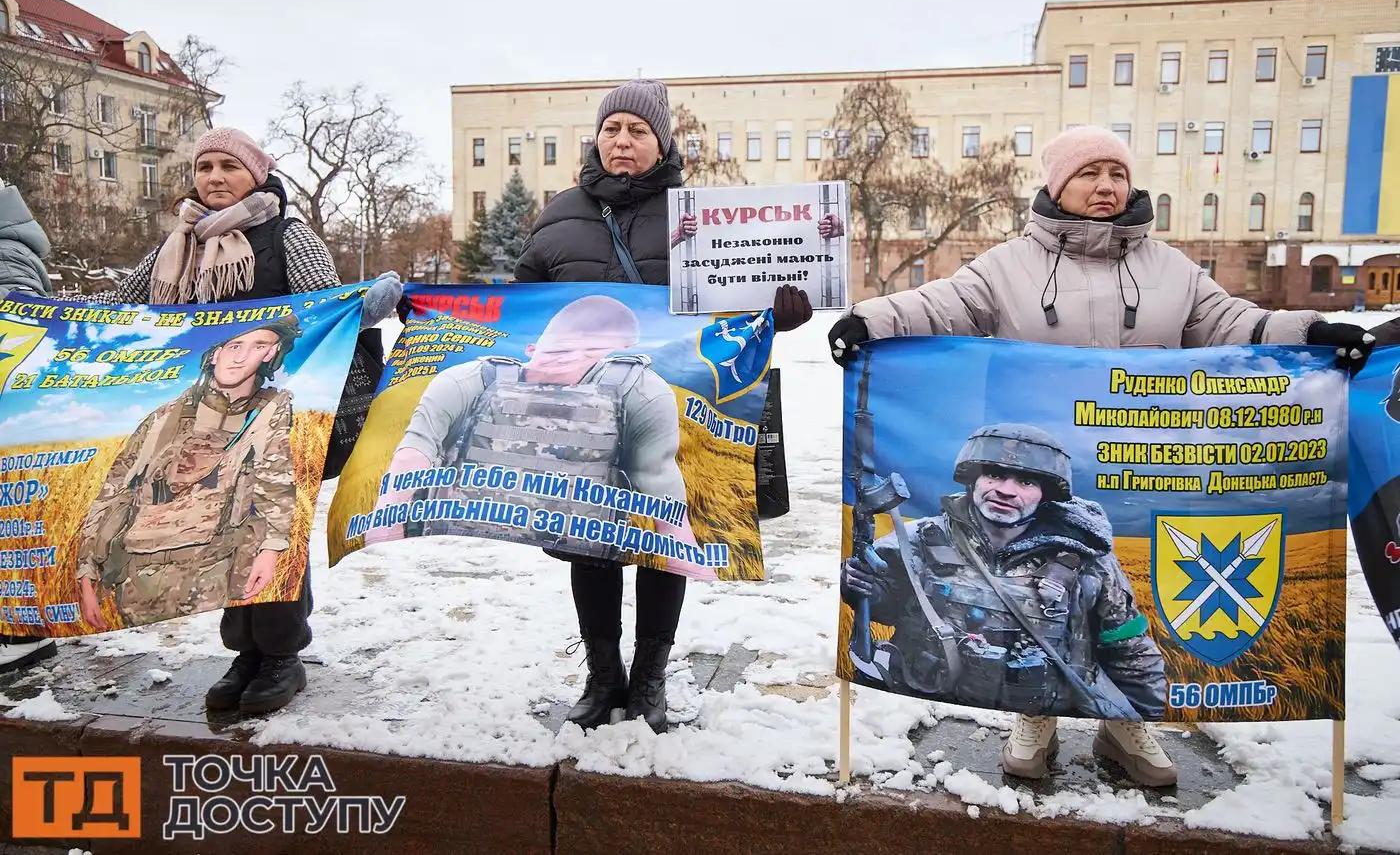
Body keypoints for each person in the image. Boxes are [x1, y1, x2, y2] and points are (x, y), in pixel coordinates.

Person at [827, 125, 1374, 784]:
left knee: (1102, 595)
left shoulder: (1170, 268)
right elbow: (940, 305)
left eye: (1117, 173)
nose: (1107, 186)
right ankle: (1034, 714)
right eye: (1090, 173)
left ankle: (1126, 728)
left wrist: (1312, 333)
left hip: (1140, 460)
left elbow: (1237, 323)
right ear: (1059, 183)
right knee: (1025, 591)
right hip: (1032, 455)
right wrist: (869, 321)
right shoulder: (1009, 265)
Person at [512, 79, 819, 734]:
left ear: (662, 142)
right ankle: (603, 677)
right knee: (588, 541)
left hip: (674, 408)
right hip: (581, 412)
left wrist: (781, 311)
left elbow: (744, 304)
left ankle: (650, 677)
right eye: (612, 128)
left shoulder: (701, 218)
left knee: (662, 539)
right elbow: (518, 311)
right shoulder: (558, 215)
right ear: (596, 137)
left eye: (638, 131)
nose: (623, 141)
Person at [96, 127, 402, 714]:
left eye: (228, 167)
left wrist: (364, 308)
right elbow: (123, 310)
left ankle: (283, 654)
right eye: (204, 166)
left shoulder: (288, 234)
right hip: (204, 411)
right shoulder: (176, 242)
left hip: (275, 409)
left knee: (269, 522)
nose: (213, 177)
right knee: (221, 525)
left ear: (256, 175)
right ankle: (244, 652)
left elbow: (323, 307)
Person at [365, 294, 700, 730]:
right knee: (588, 550)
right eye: (560, 349)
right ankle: (605, 677)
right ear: (530, 347)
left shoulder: (640, 388)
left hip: (678, 356)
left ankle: (649, 679)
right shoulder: (473, 377)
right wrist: (429, 310)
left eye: (592, 354)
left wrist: (686, 549)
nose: (572, 360)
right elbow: (418, 442)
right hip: (575, 506)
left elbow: (656, 477)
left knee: (657, 558)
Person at [841, 424, 1170, 784]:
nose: (1006, 491)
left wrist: (1139, 713)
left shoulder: (1087, 559)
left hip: (1049, 688)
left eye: (1026, 482)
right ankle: (1036, 722)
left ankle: (1109, 730)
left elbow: (1127, 646)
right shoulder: (921, 538)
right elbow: (888, 606)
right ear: (973, 478)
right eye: (995, 475)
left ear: (1046, 494)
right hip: (936, 683)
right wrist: (862, 588)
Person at [76, 317, 300, 642]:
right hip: (140, 578)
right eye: (234, 345)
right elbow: (115, 493)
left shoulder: (270, 411)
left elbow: (274, 481)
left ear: (271, 353)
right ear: (214, 354)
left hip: (214, 571)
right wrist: (87, 572)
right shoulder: (164, 419)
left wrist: (271, 547)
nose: (241, 356)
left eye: (258, 346)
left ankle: (262, 660)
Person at [0, 177, 57, 674]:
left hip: (10, 414)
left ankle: (22, 635)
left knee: (12, 525)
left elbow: (19, 327)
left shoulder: (8, 252)